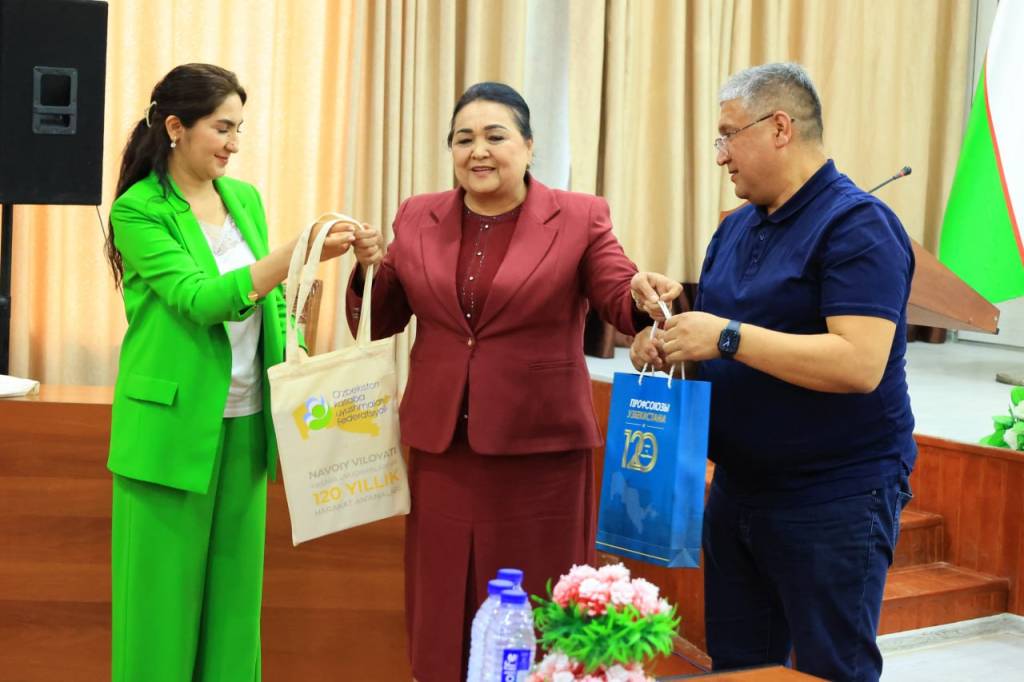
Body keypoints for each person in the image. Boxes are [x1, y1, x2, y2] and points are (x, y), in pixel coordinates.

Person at [346, 81, 680, 682]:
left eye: (495, 136)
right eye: (463, 139)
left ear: (528, 145)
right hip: (445, 450)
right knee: (443, 599)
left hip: (541, 451)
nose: (478, 151)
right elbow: (382, 317)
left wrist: (638, 293)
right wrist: (369, 269)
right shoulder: (417, 215)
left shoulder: (579, 215)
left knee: (540, 604)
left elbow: (615, 288)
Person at [631, 62, 916, 682]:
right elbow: (716, 349)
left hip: (833, 497)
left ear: (780, 127)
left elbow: (859, 363)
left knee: (831, 669)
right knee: (742, 668)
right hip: (738, 490)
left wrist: (725, 336)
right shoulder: (735, 229)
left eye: (728, 136)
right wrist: (664, 342)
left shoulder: (857, 226)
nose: (720, 156)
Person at [104, 63, 354, 681]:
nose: (234, 144)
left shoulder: (244, 200)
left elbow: (272, 303)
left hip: (246, 426)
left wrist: (297, 353)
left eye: (239, 128)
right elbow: (200, 299)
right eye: (222, 128)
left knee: (234, 616)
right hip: (168, 434)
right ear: (175, 127)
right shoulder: (138, 210)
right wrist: (296, 252)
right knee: (158, 616)